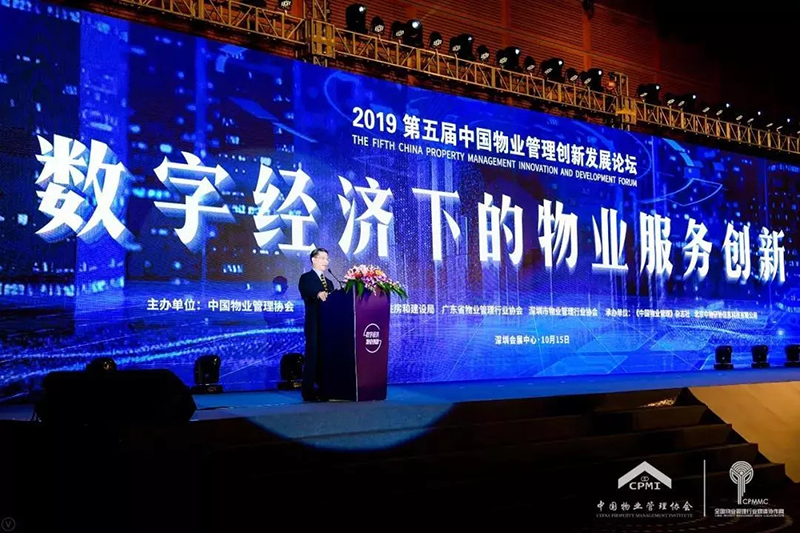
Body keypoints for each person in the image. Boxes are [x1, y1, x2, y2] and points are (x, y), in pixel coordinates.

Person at [298, 247, 335, 401]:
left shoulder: (330, 282)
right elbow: (306, 293)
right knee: (312, 356)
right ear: (314, 259)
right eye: (323, 258)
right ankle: (308, 391)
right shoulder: (306, 278)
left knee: (326, 357)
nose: (326, 262)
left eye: (327, 259)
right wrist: (317, 294)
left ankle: (325, 389)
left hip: (328, 326)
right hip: (314, 324)